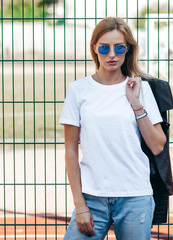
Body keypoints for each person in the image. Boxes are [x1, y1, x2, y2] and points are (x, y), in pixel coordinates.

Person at [59, 17, 166, 240]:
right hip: (92, 197)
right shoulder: (78, 90)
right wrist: (80, 205)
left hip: (134, 195)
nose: (112, 55)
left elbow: (157, 145)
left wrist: (136, 103)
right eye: (105, 48)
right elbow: (70, 151)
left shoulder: (140, 89)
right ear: (94, 48)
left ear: (127, 50)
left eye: (119, 47)